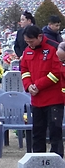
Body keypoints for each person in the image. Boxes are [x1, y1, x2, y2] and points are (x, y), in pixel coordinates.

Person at [20, 25, 65, 155]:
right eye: (27, 42)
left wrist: (38, 85)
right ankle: (38, 162)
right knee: (38, 133)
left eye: (31, 41)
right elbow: (24, 70)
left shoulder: (54, 48)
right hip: (36, 100)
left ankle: (56, 163)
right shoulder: (27, 51)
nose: (30, 44)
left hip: (53, 99)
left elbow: (56, 73)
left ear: (40, 37)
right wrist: (28, 85)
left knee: (55, 133)